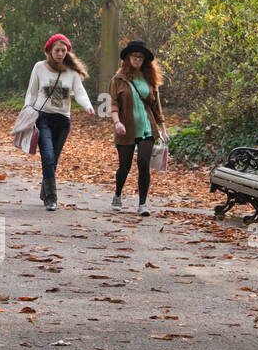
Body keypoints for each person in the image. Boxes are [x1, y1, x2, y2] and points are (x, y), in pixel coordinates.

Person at [24, 33, 95, 211]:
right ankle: (51, 198)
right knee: (47, 156)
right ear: (49, 51)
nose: (60, 53)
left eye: (64, 50)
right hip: (43, 118)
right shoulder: (39, 67)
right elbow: (31, 92)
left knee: (53, 159)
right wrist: (27, 111)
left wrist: (88, 106)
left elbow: (79, 92)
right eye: (57, 50)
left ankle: (45, 190)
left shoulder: (71, 72)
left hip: (63, 120)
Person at [109, 40, 167, 216]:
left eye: (141, 58)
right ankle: (118, 194)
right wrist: (117, 122)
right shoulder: (118, 80)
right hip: (125, 128)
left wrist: (163, 129)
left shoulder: (150, 80)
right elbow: (113, 104)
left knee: (143, 163)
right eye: (135, 57)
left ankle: (142, 204)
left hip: (147, 128)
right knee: (124, 167)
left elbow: (157, 107)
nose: (137, 60)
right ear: (127, 58)